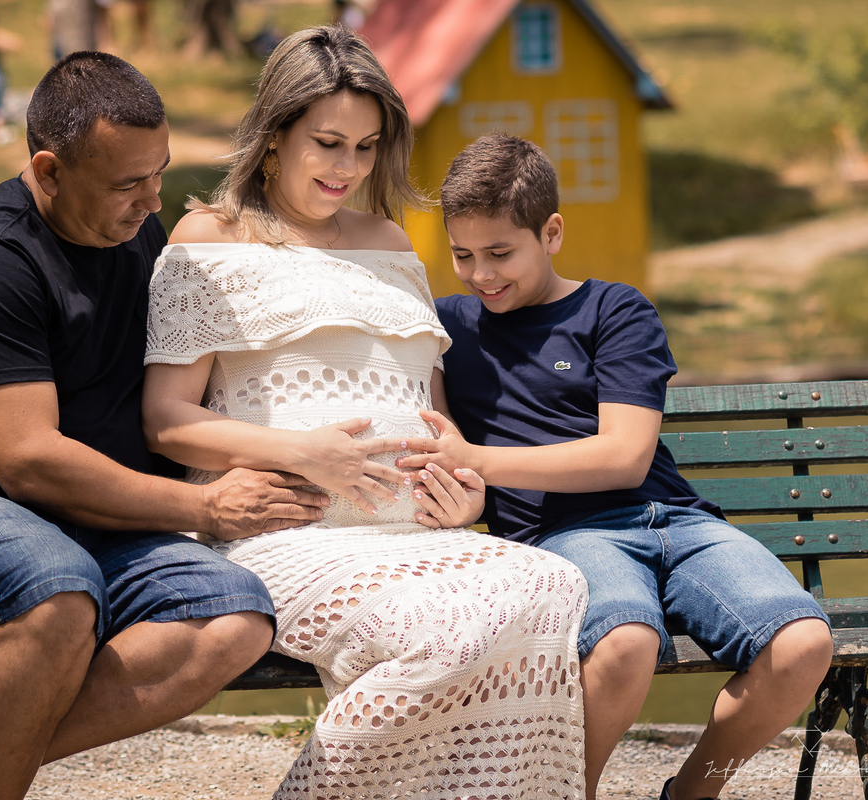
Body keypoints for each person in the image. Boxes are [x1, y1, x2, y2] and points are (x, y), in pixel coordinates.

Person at [0, 52, 329, 800]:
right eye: (128, 183)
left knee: (233, 617)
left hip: (83, 533)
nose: (151, 200)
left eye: (159, 173)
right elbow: (29, 461)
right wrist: (205, 505)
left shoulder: (137, 234)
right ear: (49, 170)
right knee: (55, 589)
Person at [142, 26, 589, 800]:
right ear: (274, 134)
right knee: (445, 634)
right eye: (328, 143)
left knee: (553, 586)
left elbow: (432, 413)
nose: (348, 168)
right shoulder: (209, 238)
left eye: (366, 147)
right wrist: (301, 453)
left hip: (421, 532)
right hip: (292, 533)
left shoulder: (389, 241)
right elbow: (166, 422)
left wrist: (464, 487)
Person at [395, 133, 835, 800]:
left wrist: (476, 459)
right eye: (463, 255)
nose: (481, 274)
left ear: (552, 233)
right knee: (625, 643)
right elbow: (437, 438)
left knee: (803, 645)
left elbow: (626, 458)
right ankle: (572, 793)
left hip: (680, 523)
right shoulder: (445, 328)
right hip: (567, 536)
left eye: (500, 254)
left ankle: (692, 793)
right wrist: (463, 487)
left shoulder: (615, 309)